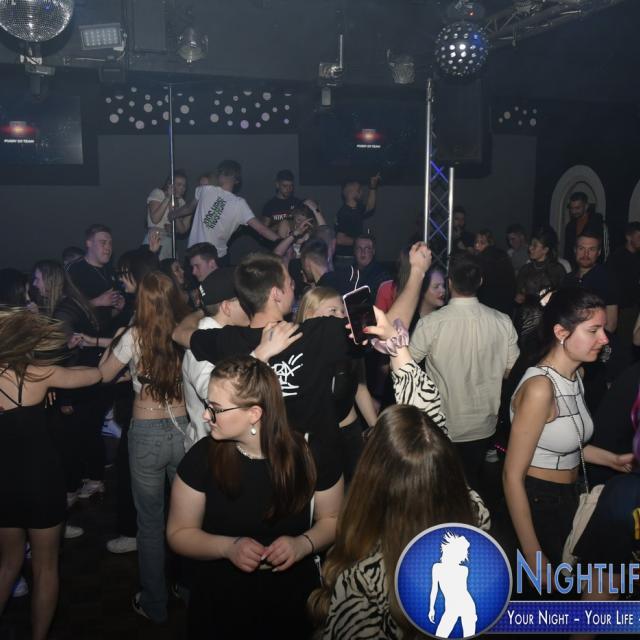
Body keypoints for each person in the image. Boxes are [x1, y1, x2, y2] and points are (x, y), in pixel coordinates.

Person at [167, 356, 343, 638]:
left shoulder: (312, 454)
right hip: (220, 600)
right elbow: (179, 533)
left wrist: (303, 544)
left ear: (254, 414)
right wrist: (228, 547)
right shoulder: (201, 458)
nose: (205, 416)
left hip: (290, 600)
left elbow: (333, 520)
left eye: (216, 409)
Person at [503, 288, 633, 579]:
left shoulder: (576, 375)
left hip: (570, 495)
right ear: (561, 332)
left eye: (603, 329)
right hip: (538, 503)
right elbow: (511, 476)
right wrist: (533, 554)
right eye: (593, 330)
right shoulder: (540, 388)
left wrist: (613, 460)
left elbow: (564, 441)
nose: (605, 338)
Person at [0, 309, 101, 640]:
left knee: (8, 563)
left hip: (4, 483)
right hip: (40, 480)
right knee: (45, 567)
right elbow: (95, 375)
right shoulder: (38, 375)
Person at [98, 271, 191, 623]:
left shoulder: (134, 335)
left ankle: (155, 604)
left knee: (150, 524)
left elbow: (103, 375)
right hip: (183, 430)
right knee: (187, 519)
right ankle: (187, 589)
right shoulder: (185, 332)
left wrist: (115, 342)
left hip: (147, 433)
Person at [410, 253, 519, 491]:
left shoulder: (431, 323)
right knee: (471, 487)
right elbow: (512, 371)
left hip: (443, 424)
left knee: (440, 488)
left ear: (449, 283)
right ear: (480, 281)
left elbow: (407, 366)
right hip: (484, 425)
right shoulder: (502, 321)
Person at [296, 287, 378, 483]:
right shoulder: (296, 350)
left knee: (360, 488)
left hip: (349, 430)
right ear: (309, 315)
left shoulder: (350, 345)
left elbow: (360, 387)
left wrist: (376, 429)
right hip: (316, 437)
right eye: (333, 311)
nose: (341, 317)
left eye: (342, 311)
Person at [182, 267, 249, 446]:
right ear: (226, 307)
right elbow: (215, 396)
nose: (251, 304)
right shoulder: (201, 341)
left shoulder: (222, 335)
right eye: (244, 299)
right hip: (209, 450)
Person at [171, 160, 280, 264]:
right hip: (212, 257)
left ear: (219, 174)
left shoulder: (206, 189)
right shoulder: (238, 203)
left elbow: (189, 208)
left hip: (200, 256)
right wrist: (282, 241)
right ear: (236, 180)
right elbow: (261, 229)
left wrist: (173, 214)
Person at [565, 231, 619, 333]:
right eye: (581, 248)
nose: (586, 254)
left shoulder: (607, 279)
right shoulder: (567, 279)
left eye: (591, 249)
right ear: (575, 250)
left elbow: (611, 324)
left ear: (598, 252)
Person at [606, 221, 640, 355]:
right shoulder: (617, 258)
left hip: (635, 308)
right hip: (622, 309)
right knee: (623, 346)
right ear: (628, 237)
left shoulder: (637, 257)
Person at [145, 169, 190, 260]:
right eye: (179, 185)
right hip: (155, 237)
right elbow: (155, 219)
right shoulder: (158, 193)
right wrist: (168, 198)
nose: (182, 188)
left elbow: (182, 230)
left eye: (184, 186)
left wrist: (175, 212)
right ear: (170, 184)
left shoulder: (182, 203)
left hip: (170, 241)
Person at [334, 174, 380, 263]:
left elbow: (370, 207)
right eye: (359, 190)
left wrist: (373, 187)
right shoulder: (344, 213)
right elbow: (340, 239)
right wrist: (361, 242)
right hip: (345, 259)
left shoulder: (356, 209)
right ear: (349, 191)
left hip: (353, 257)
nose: (361, 192)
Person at [515, 226, 566, 305]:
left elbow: (563, 298)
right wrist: (520, 297)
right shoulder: (525, 269)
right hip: (528, 311)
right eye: (530, 244)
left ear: (545, 250)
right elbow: (518, 294)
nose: (530, 248)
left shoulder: (557, 270)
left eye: (534, 246)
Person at [474, 228, 517, 316]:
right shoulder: (502, 255)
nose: (477, 245)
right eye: (476, 242)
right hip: (504, 308)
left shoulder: (483, 259)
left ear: (490, 243)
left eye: (482, 243)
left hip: (489, 307)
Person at [563, 192, 608, 264]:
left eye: (577, 208)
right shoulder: (570, 226)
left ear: (586, 206)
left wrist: (601, 266)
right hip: (575, 266)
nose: (573, 211)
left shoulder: (597, 223)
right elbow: (568, 250)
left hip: (593, 265)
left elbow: (605, 249)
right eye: (571, 208)